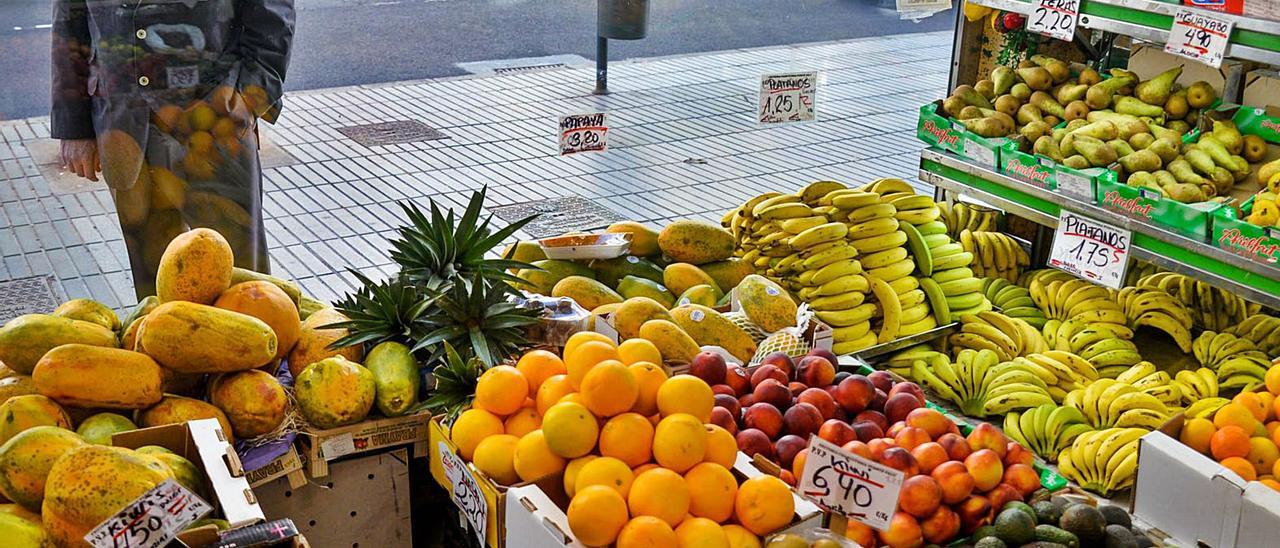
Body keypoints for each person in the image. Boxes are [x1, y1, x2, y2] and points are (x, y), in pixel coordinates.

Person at [52, 0, 295, 298]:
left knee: (243, 284)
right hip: (123, 120)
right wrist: (73, 125)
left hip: (215, 121)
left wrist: (248, 100)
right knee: (155, 289)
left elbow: (272, 20)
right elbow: (69, 20)